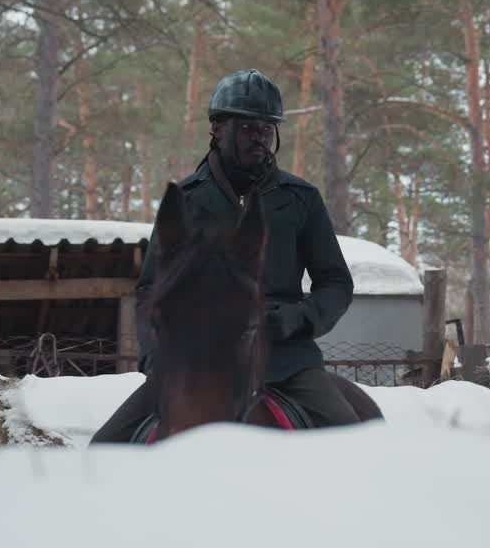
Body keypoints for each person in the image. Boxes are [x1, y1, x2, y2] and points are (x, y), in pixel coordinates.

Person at [91, 68, 359, 441]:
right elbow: (150, 289)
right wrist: (156, 357)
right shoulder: (185, 201)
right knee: (106, 445)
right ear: (218, 129)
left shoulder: (302, 199)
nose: (259, 137)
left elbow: (335, 283)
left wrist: (296, 318)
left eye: (266, 129)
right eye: (248, 128)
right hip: (194, 359)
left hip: (286, 360)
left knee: (352, 440)